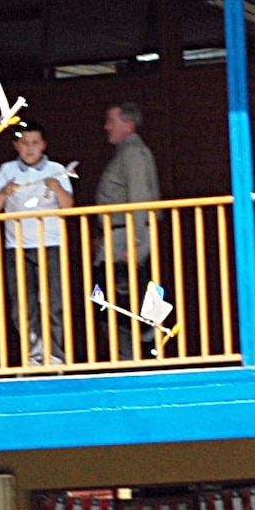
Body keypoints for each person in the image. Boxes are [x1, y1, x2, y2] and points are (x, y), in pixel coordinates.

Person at [0, 121, 73, 367]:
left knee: (53, 302)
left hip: (52, 243)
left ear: (44, 145)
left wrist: (57, 188)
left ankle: (56, 356)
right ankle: (34, 357)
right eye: (24, 143)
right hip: (17, 246)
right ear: (16, 145)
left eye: (35, 143)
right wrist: (4, 192)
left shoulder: (57, 169)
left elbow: (68, 207)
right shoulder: (7, 170)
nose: (30, 148)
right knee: (23, 305)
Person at [95, 101, 161, 360]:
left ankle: (135, 355)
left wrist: (134, 241)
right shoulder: (126, 152)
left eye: (112, 120)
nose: (106, 127)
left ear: (128, 123)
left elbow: (140, 196)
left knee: (119, 297)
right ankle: (130, 354)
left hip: (129, 235)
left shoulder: (133, 153)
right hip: (119, 234)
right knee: (118, 296)